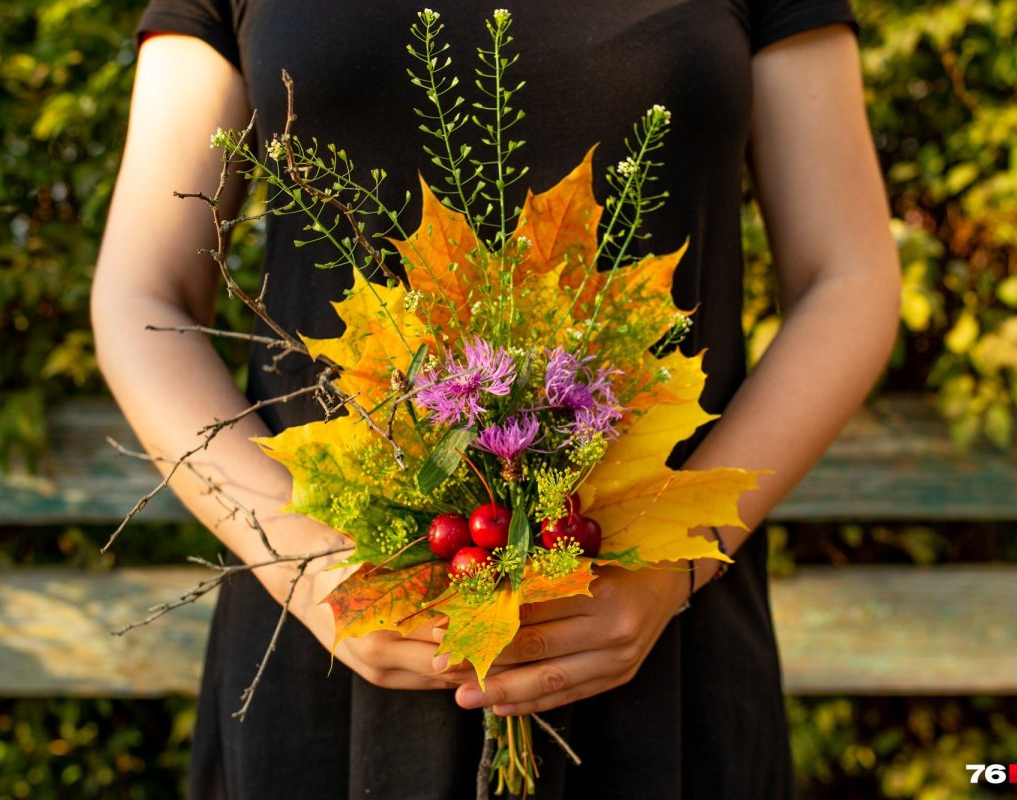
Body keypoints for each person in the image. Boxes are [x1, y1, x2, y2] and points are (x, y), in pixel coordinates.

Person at [91, 1, 900, 797]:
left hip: (656, 643)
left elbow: (849, 277)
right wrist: (307, 567)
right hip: (325, 651)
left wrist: (679, 558)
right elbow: (144, 294)